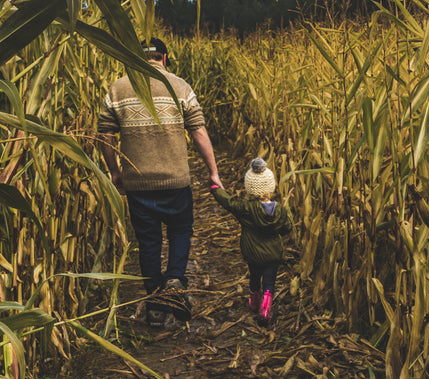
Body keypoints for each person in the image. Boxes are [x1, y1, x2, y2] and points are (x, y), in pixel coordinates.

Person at [97, 37, 222, 326]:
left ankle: (154, 303)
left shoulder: (118, 88)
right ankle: (176, 279)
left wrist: (116, 172)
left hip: (138, 185)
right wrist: (213, 171)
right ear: (164, 59)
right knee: (180, 231)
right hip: (176, 181)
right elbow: (199, 132)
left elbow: (105, 135)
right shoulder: (179, 86)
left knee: (148, 241)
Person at [208, 158, 292, 324]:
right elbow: (286, 228)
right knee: (269, 281)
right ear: (271, 186)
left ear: (249, 188)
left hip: (253, 254)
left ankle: (254, 303)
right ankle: (266, 308)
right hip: (273, 254)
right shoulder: (280, 210)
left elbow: (229, 203)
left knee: (255, 277)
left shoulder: (245, 209)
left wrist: (215, 189)